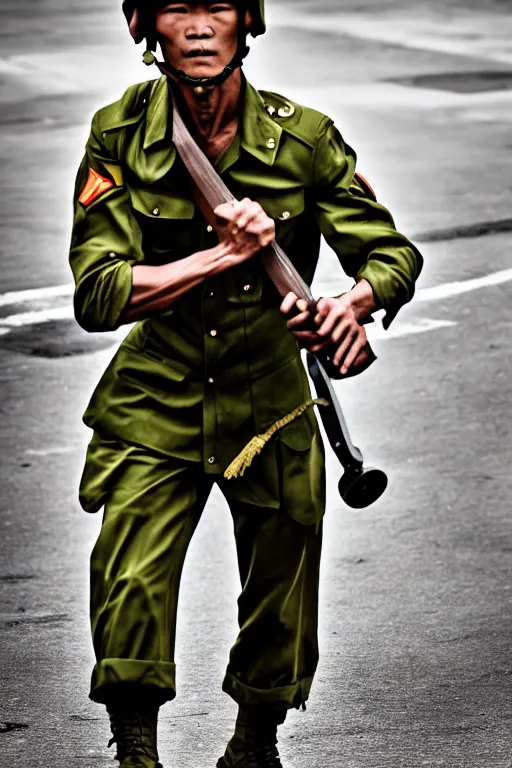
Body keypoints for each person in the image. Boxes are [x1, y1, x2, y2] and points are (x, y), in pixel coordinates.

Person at [69, 1, 423, 766]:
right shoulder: (120, 134)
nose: (198, 27)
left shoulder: (303, 138)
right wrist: (223, 256)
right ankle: (135, 750)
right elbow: (98, 293)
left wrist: (349, 305)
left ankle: (255, 742)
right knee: (129, 576)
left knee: (281, 589)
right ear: (145, 28)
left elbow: (392, 254)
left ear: (247, 23)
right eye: (176, 7)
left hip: (271, 395)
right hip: (155, 396)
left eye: (216, 6)